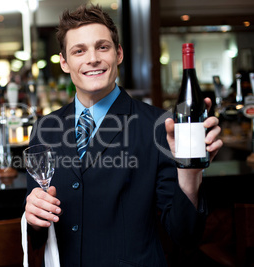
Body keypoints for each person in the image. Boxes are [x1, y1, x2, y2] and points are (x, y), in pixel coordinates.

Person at [24, 4, 223, 266]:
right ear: (64, 62)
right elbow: (37, 234)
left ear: (118, 54)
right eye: (79, 51)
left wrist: (190, 171)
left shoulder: (160, 126)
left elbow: (185, 236)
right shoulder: (44, 129)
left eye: (102, 47)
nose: (92, 58)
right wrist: (34, 219)